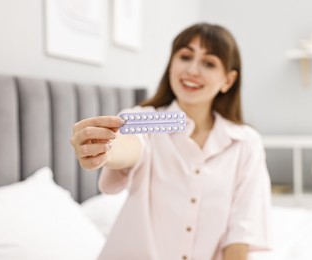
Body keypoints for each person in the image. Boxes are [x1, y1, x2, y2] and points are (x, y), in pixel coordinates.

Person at [71, 22, 271, 260]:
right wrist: (102, 148)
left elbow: (240, 235)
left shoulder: (246, 143)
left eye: (209, 63)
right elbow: (129, 145)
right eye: (185, 57)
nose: (193, 70)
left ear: (228, 80)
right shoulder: (141, 120)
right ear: (171, 65)